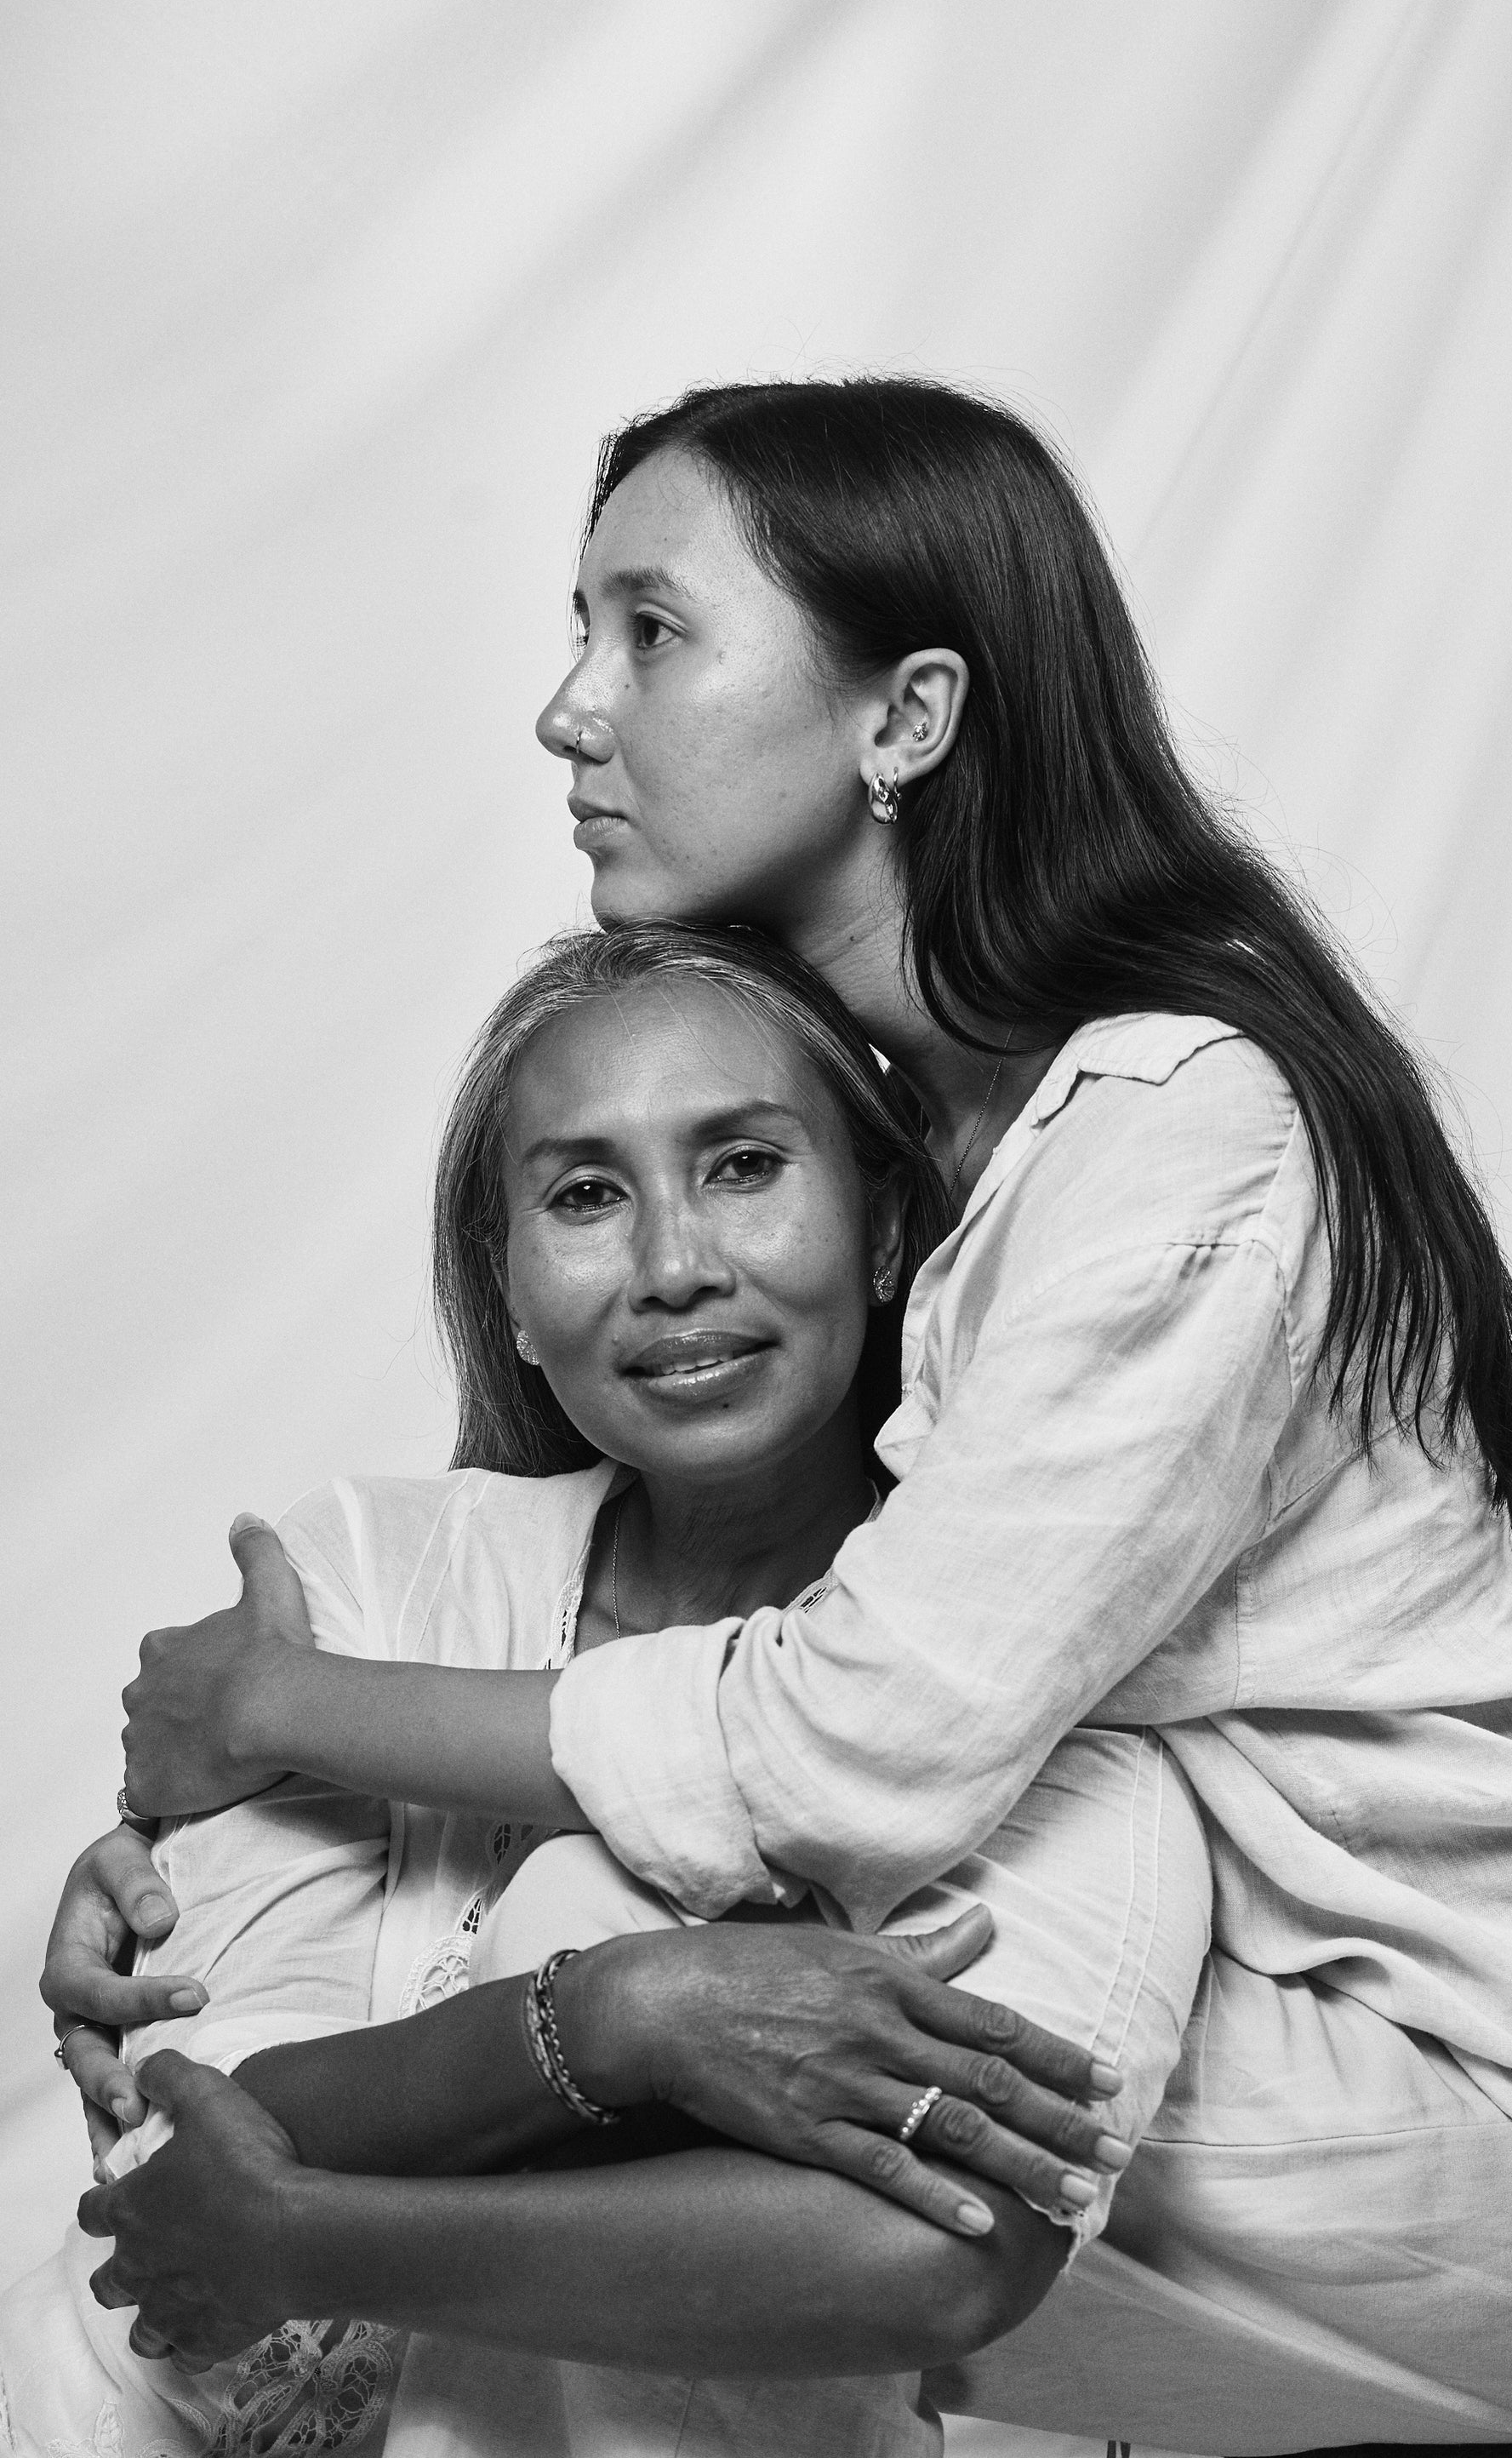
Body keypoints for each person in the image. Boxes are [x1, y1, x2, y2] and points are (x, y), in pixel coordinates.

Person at [57, 379, 1512, 2447]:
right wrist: (191, 1856)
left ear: (904, 718)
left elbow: (865, 1742)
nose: (574, 709)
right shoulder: (925, 1125)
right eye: (580, 632)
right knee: (582, 1990)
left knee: (624, 1944)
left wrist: (280, 1719)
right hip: (1263, 2074)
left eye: (650, 632)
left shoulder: (1178, 1118)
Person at [11, 923, 1200, 2458]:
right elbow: (178, 2124)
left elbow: (948, 2238)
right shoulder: (362, 1572)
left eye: (746, 1166)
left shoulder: (1058, 1691)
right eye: (584, 1196)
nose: (674, 1267)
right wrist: (618, 2026)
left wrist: (389, 2134)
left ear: (887, 1223)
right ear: (506, 1289)